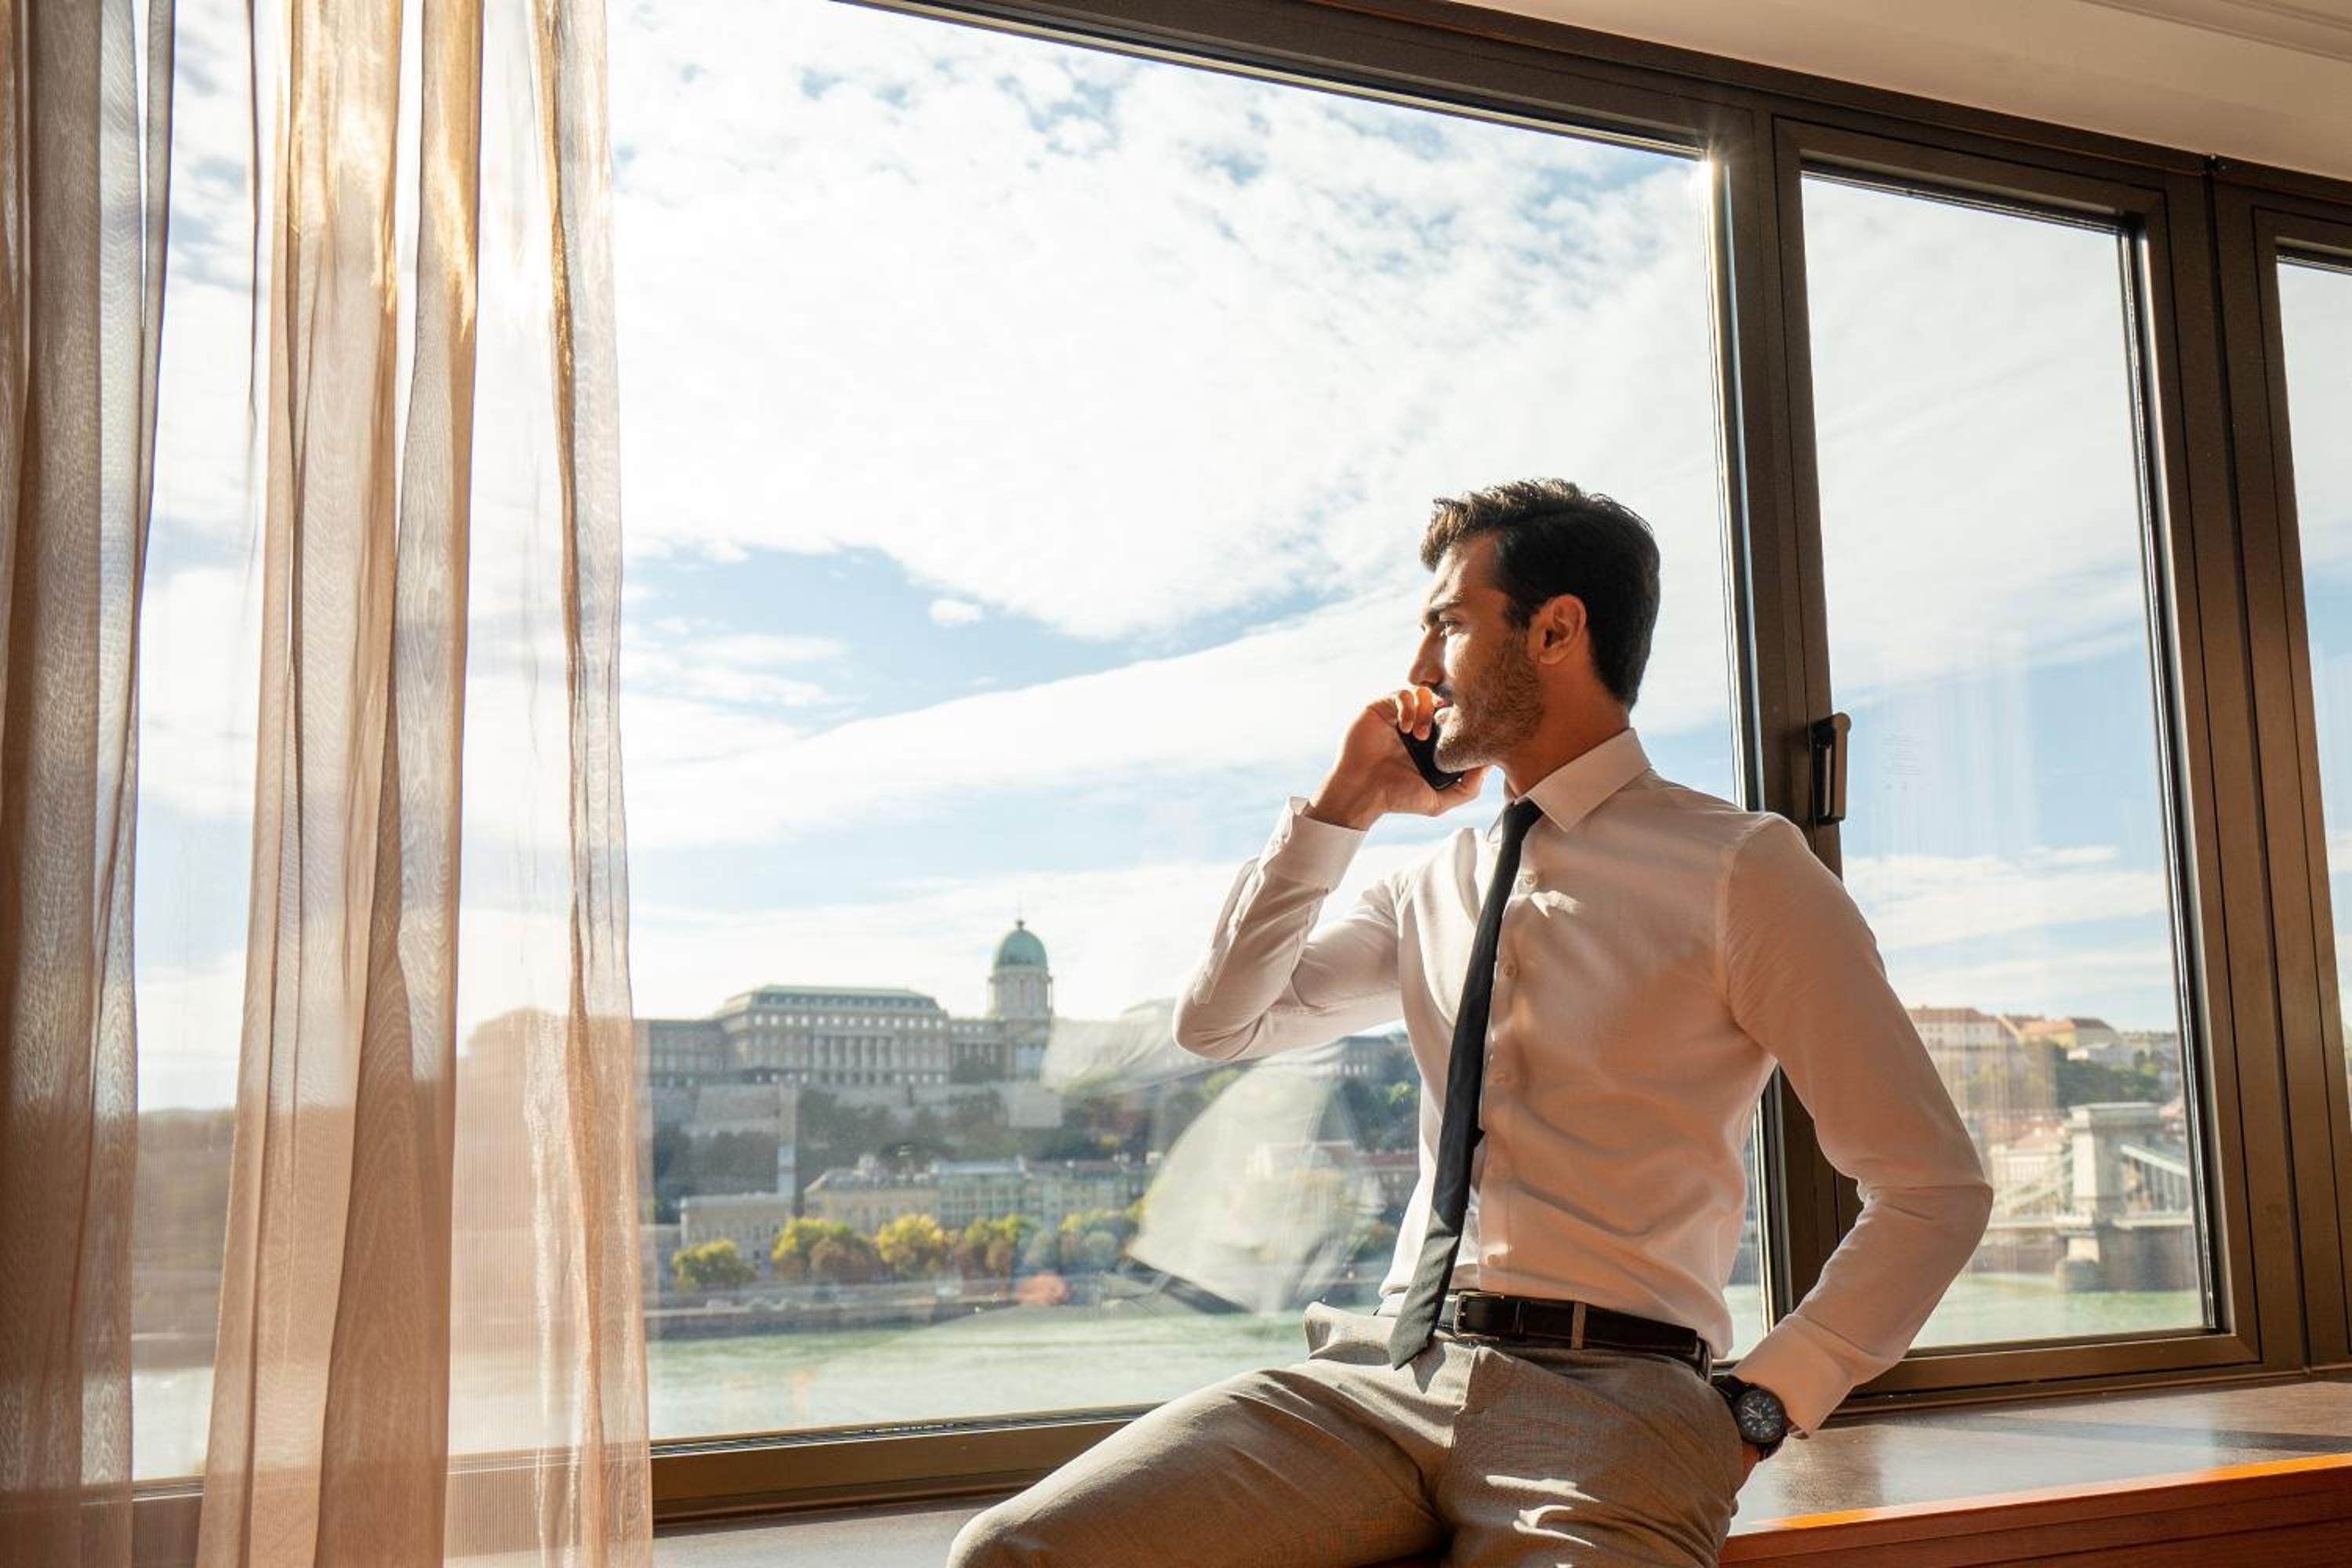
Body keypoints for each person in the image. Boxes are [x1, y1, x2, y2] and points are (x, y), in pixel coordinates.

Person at [949, 479, 1992, 1566]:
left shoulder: (1741, 870)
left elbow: (1934, 1188)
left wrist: (1761, 1408)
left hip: (1617, 1411)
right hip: (1379, 1382)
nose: (1418, 669)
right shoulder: (1432, 886)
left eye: (1447, 623)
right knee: (1012, 1555)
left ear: (1555, 630)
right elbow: (1221, 1024)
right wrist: (1341, 807)